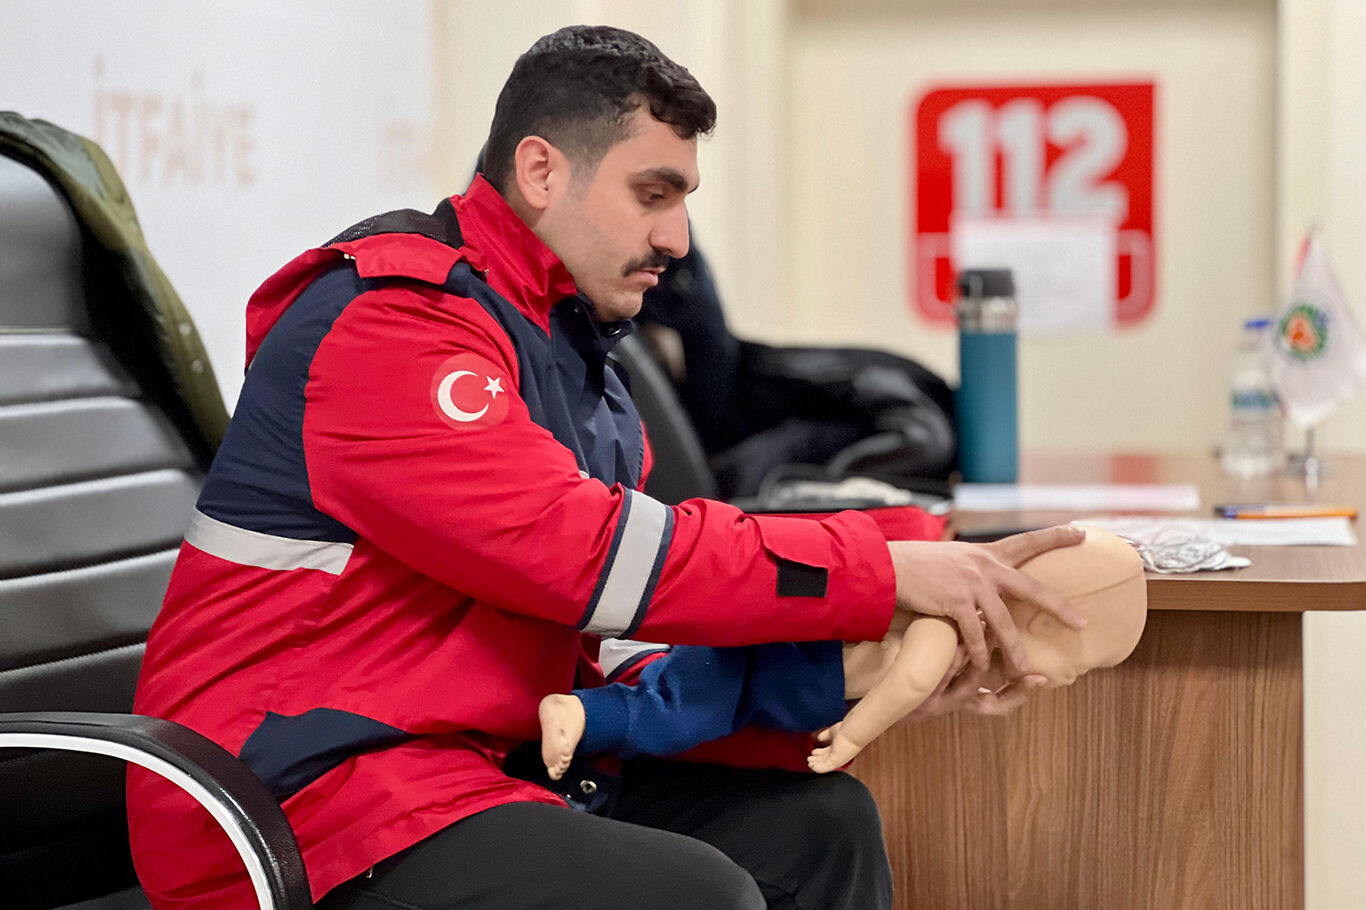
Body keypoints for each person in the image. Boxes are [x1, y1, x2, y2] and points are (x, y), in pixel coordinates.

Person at [126, 25, 1087, 910]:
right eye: (653, 194)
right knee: (690, 895)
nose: (677, 240)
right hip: (301, 797)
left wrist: (846, 668)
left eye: (683, 201)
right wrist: (882, 568)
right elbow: (586, 556)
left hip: (478, 762)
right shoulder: (393, 324)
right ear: (541, 169)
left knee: (820, 831)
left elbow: (617, 637)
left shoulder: (567, 354)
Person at [538, 527, 1147, 778]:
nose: (1070, 680)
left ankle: (597, 712)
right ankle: (580, 713)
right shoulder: (944, 629)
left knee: (689, 717)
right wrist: (852, 737)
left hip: (770, 692)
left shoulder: (964, 639)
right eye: (1080, 665)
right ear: (1039, 617)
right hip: (754, 664)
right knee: (677, 714)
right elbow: (910, 684)